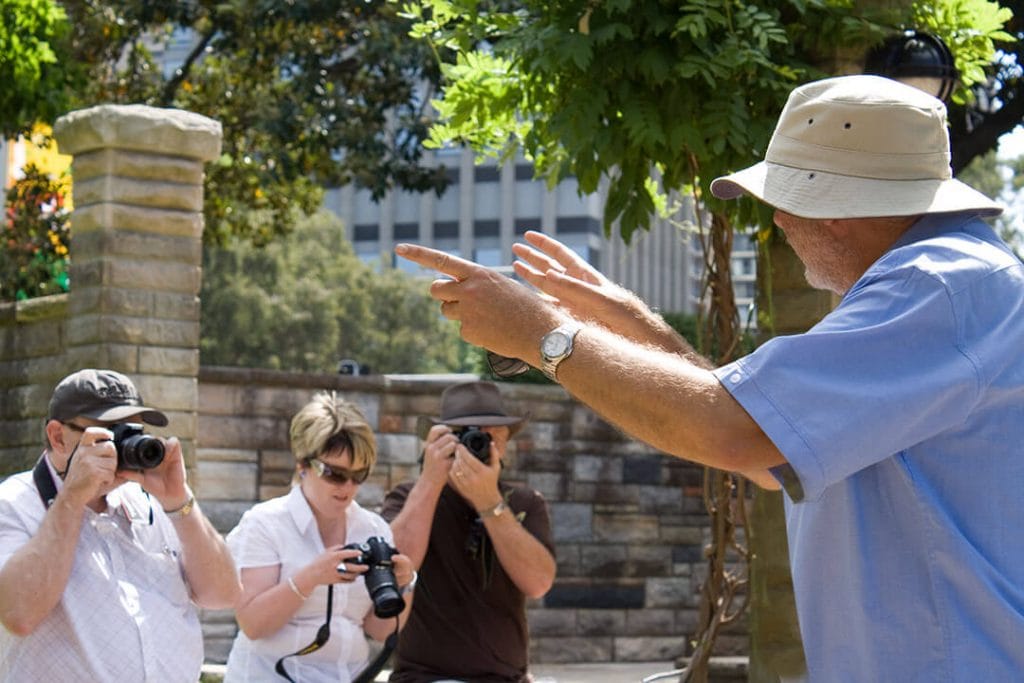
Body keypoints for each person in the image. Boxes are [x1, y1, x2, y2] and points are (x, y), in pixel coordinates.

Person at [394, 75, 1024, 681]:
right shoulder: (955, 279)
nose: (775, 221)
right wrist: (634, 325)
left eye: (782, 200)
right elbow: (764, 449)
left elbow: (734, 433)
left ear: (834, 203)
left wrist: (541, 335)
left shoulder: (934, 284)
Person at [0, 368, 242, 681]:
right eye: (107, 434)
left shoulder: (151, 501)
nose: (122, 447)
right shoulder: (12, 504)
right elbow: (18, 614)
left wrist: (180, 501)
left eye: (131, 432)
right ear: (58, 436)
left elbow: (223, 595)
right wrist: (73, 498)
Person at [224, 391, 416, 683]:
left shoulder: (373, 529)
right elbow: (253, 624)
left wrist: (406, 584)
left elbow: (379, 630)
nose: (348, 486)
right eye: (334, 474)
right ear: (303, 465)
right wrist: (311, 577)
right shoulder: (264, 524)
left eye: (359, 475)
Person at [381, 381, 556, 683]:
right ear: (442, 441)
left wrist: (490, 503)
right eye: (467, 435)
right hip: (424, 677)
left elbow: (539, 583)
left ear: (503, 444)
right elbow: (395, 565)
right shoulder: (408, 497)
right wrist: (430, 481)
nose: (478, 444)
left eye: (490, 435)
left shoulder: (525, 502)